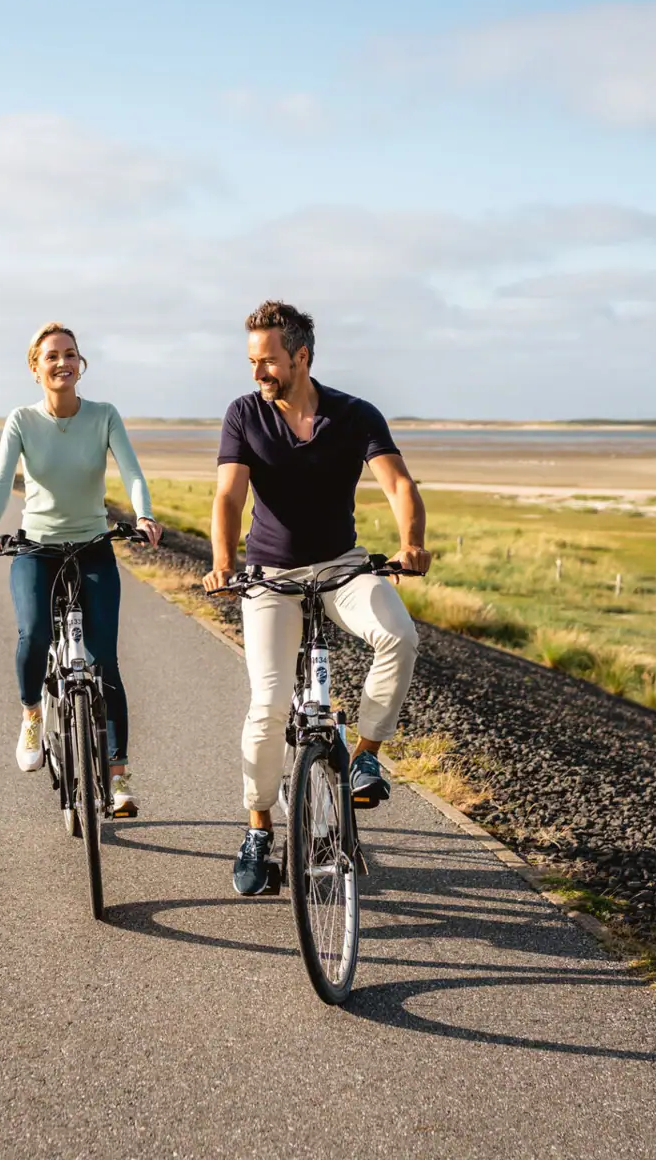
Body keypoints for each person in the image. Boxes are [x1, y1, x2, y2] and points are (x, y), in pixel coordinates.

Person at [203, 300, 431, 895]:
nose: (258, 372)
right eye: (252, 361)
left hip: (343, 567)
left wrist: (412, 543)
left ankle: (365, 756)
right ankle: (258, 830)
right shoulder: (243, 415)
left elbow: (398, 483)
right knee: (270, 703)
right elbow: (229, 497)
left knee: (399, 637)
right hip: (271, 575)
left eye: (268, 361)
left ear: (302, 357)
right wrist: (225, 562)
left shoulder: (355, 416)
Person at [0, 322, 163, 814]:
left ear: (81, 364)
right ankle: (32, 712)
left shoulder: (104, 416)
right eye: (52, 356)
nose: (63, 363)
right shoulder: (21, 420)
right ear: (35, 368)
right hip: (38, 547)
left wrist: (143, 515)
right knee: (34, 633)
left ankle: (118, 778)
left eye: (71, 354)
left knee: (105, 660)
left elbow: (132, 471)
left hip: (93, 546)